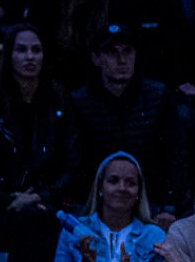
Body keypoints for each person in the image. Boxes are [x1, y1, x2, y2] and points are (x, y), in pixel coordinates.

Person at [68, 24, 186, 223]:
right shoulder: (79, 102)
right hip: (94, 204)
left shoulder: (158, 96)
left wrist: (170, 205)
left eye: (127, 51)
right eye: (112, 52)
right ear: (96, 58)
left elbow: (176, 155)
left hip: (151, 202)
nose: (122, 60)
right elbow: (74, 162)